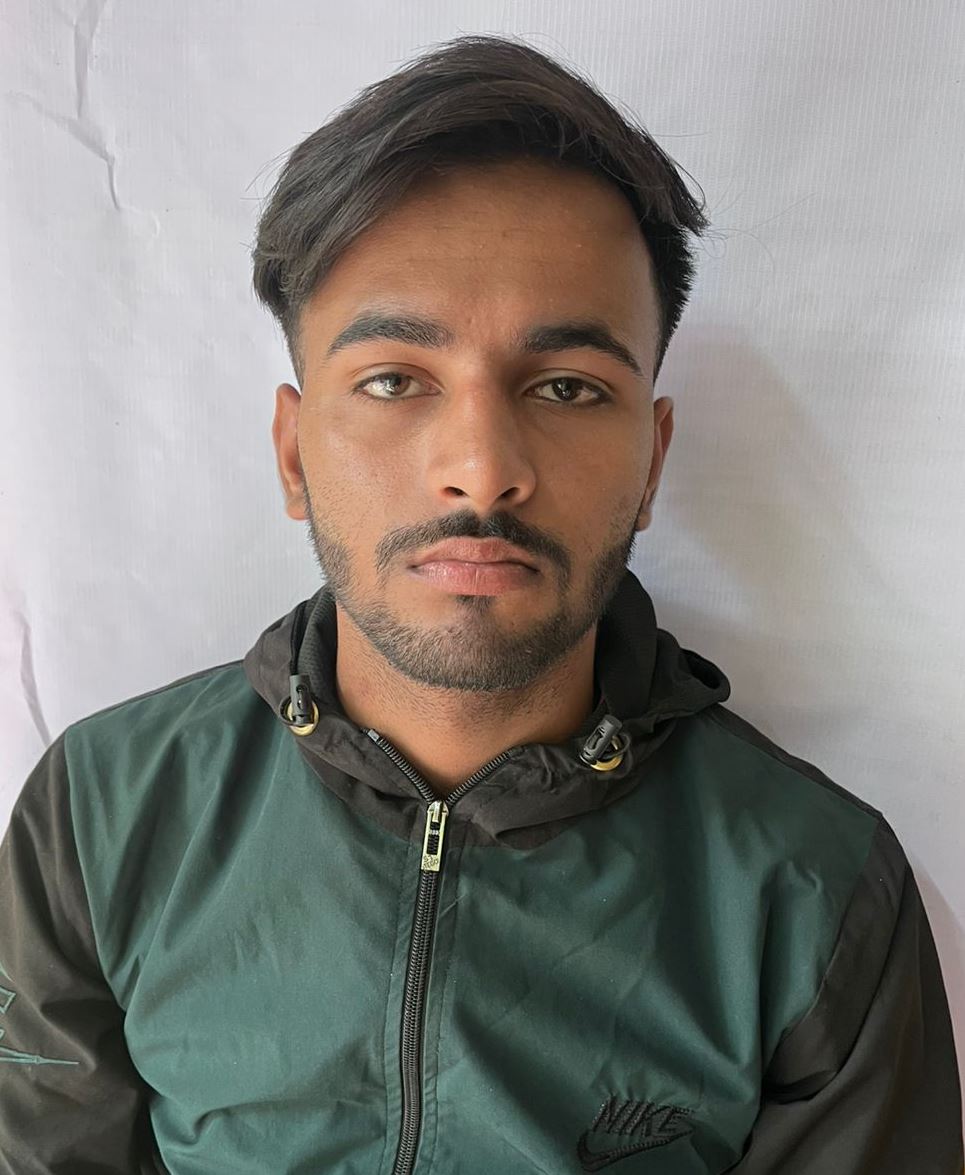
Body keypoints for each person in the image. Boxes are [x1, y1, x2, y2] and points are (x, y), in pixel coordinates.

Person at [0, 32, 961, 1175]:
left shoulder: (818, 887)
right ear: (294, 451)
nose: (481, 468)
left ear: (650, 462)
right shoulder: (102, 811)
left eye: (566, 387)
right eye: (393, 379)